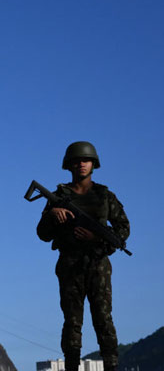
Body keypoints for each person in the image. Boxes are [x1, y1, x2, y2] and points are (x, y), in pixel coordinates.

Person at [36, 141, 130, 371]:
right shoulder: (59, 196)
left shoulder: (104, 195)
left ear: (93, 164)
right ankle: (71, 365)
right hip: (70, 263)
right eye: (76, 161)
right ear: (69, 165)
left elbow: (123, 229)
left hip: (98, 263)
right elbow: (42, 234)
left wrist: (96, 238)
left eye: (85, 160)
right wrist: (52, 214)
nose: (81, 165)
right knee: (72, 320)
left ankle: (111, 364)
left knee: (103, 318)